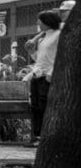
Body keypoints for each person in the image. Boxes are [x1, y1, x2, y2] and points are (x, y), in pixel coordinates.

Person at [23, 10, 61, 145]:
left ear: (47, 21)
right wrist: (31, 51)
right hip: (37, 75)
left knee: (44, 107)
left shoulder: (58, 35)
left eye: (40, 20)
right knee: (35, 106)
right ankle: (38, 136)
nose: (37, 23)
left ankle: (45, 136)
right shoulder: (42, 38)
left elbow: (60, 57)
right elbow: (39, 59)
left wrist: (51, 73)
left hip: (47, 77)